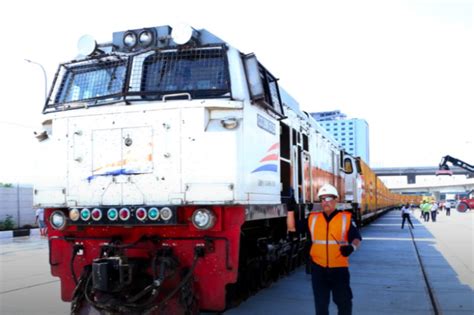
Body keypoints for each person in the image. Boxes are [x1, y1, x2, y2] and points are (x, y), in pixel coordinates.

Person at [308, 184, 362, 315]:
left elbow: (357, 238)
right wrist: (291, 210)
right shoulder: (313, 218)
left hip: (339, 269)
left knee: (344, 303)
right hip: (318, 269)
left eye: (328, 198)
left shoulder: (345, 218)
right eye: (322, 199)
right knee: (320, 305)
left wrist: (351, 247)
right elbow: (292, 229)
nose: (325, 202)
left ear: (336, 199)